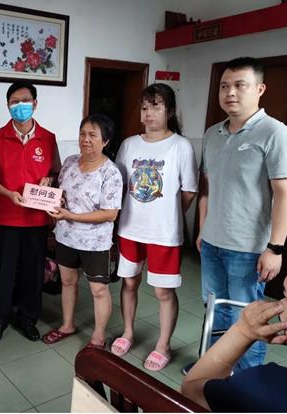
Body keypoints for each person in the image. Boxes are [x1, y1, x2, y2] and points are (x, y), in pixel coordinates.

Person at [196, 57, 287, 370]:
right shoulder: (212, 133)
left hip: (248, 249)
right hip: (212, 242)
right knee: (214, 310)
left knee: (247, 318)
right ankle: (213, 369)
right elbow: (211, 188)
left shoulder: (276, 133)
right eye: (225, 86)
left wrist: (275, 248)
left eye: (240, 85)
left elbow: (285, 195)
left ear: (260, 89)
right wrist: (203, 229)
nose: (230, 92)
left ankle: (246, 380)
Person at [111, 83, 198, 371]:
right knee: (129, 283)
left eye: (156, 107)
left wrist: (168, 215)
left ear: (170, 111)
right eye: (145, 107)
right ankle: (127, 332)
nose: (148, 113)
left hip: (164, 233)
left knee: (163, 292)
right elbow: (118, 185)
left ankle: (163, 345)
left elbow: (189, 191)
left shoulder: (181, 146)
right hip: (129, 228)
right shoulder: (128, 145)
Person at [0, 80, 60, 343]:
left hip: (36, 218)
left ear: (35, 104)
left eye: (25, 101)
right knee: (3, 271)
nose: (20, 106)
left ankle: (28, 318)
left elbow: (55, 172)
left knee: (33, 271)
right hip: (5, 216)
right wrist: (8, 193)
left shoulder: (48, 138)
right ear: (7, 106)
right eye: (14, 102)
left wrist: (49, 181)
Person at [41, 114, 123, 349]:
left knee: (98, 289)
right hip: (66, 236)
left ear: (105, 141)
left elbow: (110, 214)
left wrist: (70, 216)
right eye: (82, 134)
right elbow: (63, 194)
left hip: (94, 241)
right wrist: (54, 200)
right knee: (68, 282)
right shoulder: (69, 162)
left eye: (92, 135)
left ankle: (98, 336)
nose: (85, 139)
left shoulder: (110, 173)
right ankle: (67, 325)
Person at [181, 273, 287, 412]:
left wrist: (243, 332)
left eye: (286, 297)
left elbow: (190, 393)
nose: (280, 303)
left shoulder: (259, 387)